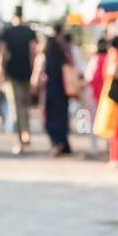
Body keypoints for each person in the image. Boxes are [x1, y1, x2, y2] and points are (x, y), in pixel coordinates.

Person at [0, 6, 37, 154]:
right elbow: (33, 53)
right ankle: (26, 133)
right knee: (26, 106)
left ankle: (19, 141)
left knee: (15, 108)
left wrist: (0, 71)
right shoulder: (30, 32)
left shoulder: (6, 32)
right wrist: (34, 73)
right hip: (27, 72)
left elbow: (1, 53)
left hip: (12, 74)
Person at [92, 35, 118, 166]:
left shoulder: (114, 55)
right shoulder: (115, 56)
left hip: (117, 96)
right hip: (116, 96)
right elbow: (113, 72)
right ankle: (116, 157)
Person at [37, 27, 72, 156]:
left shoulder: (45, 58)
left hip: (50, 90)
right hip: (63, 90)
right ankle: (62, 143)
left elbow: (39, 75)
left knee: (50, 117)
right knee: (62, 117)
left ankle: (56, 143)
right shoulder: (64, 55)